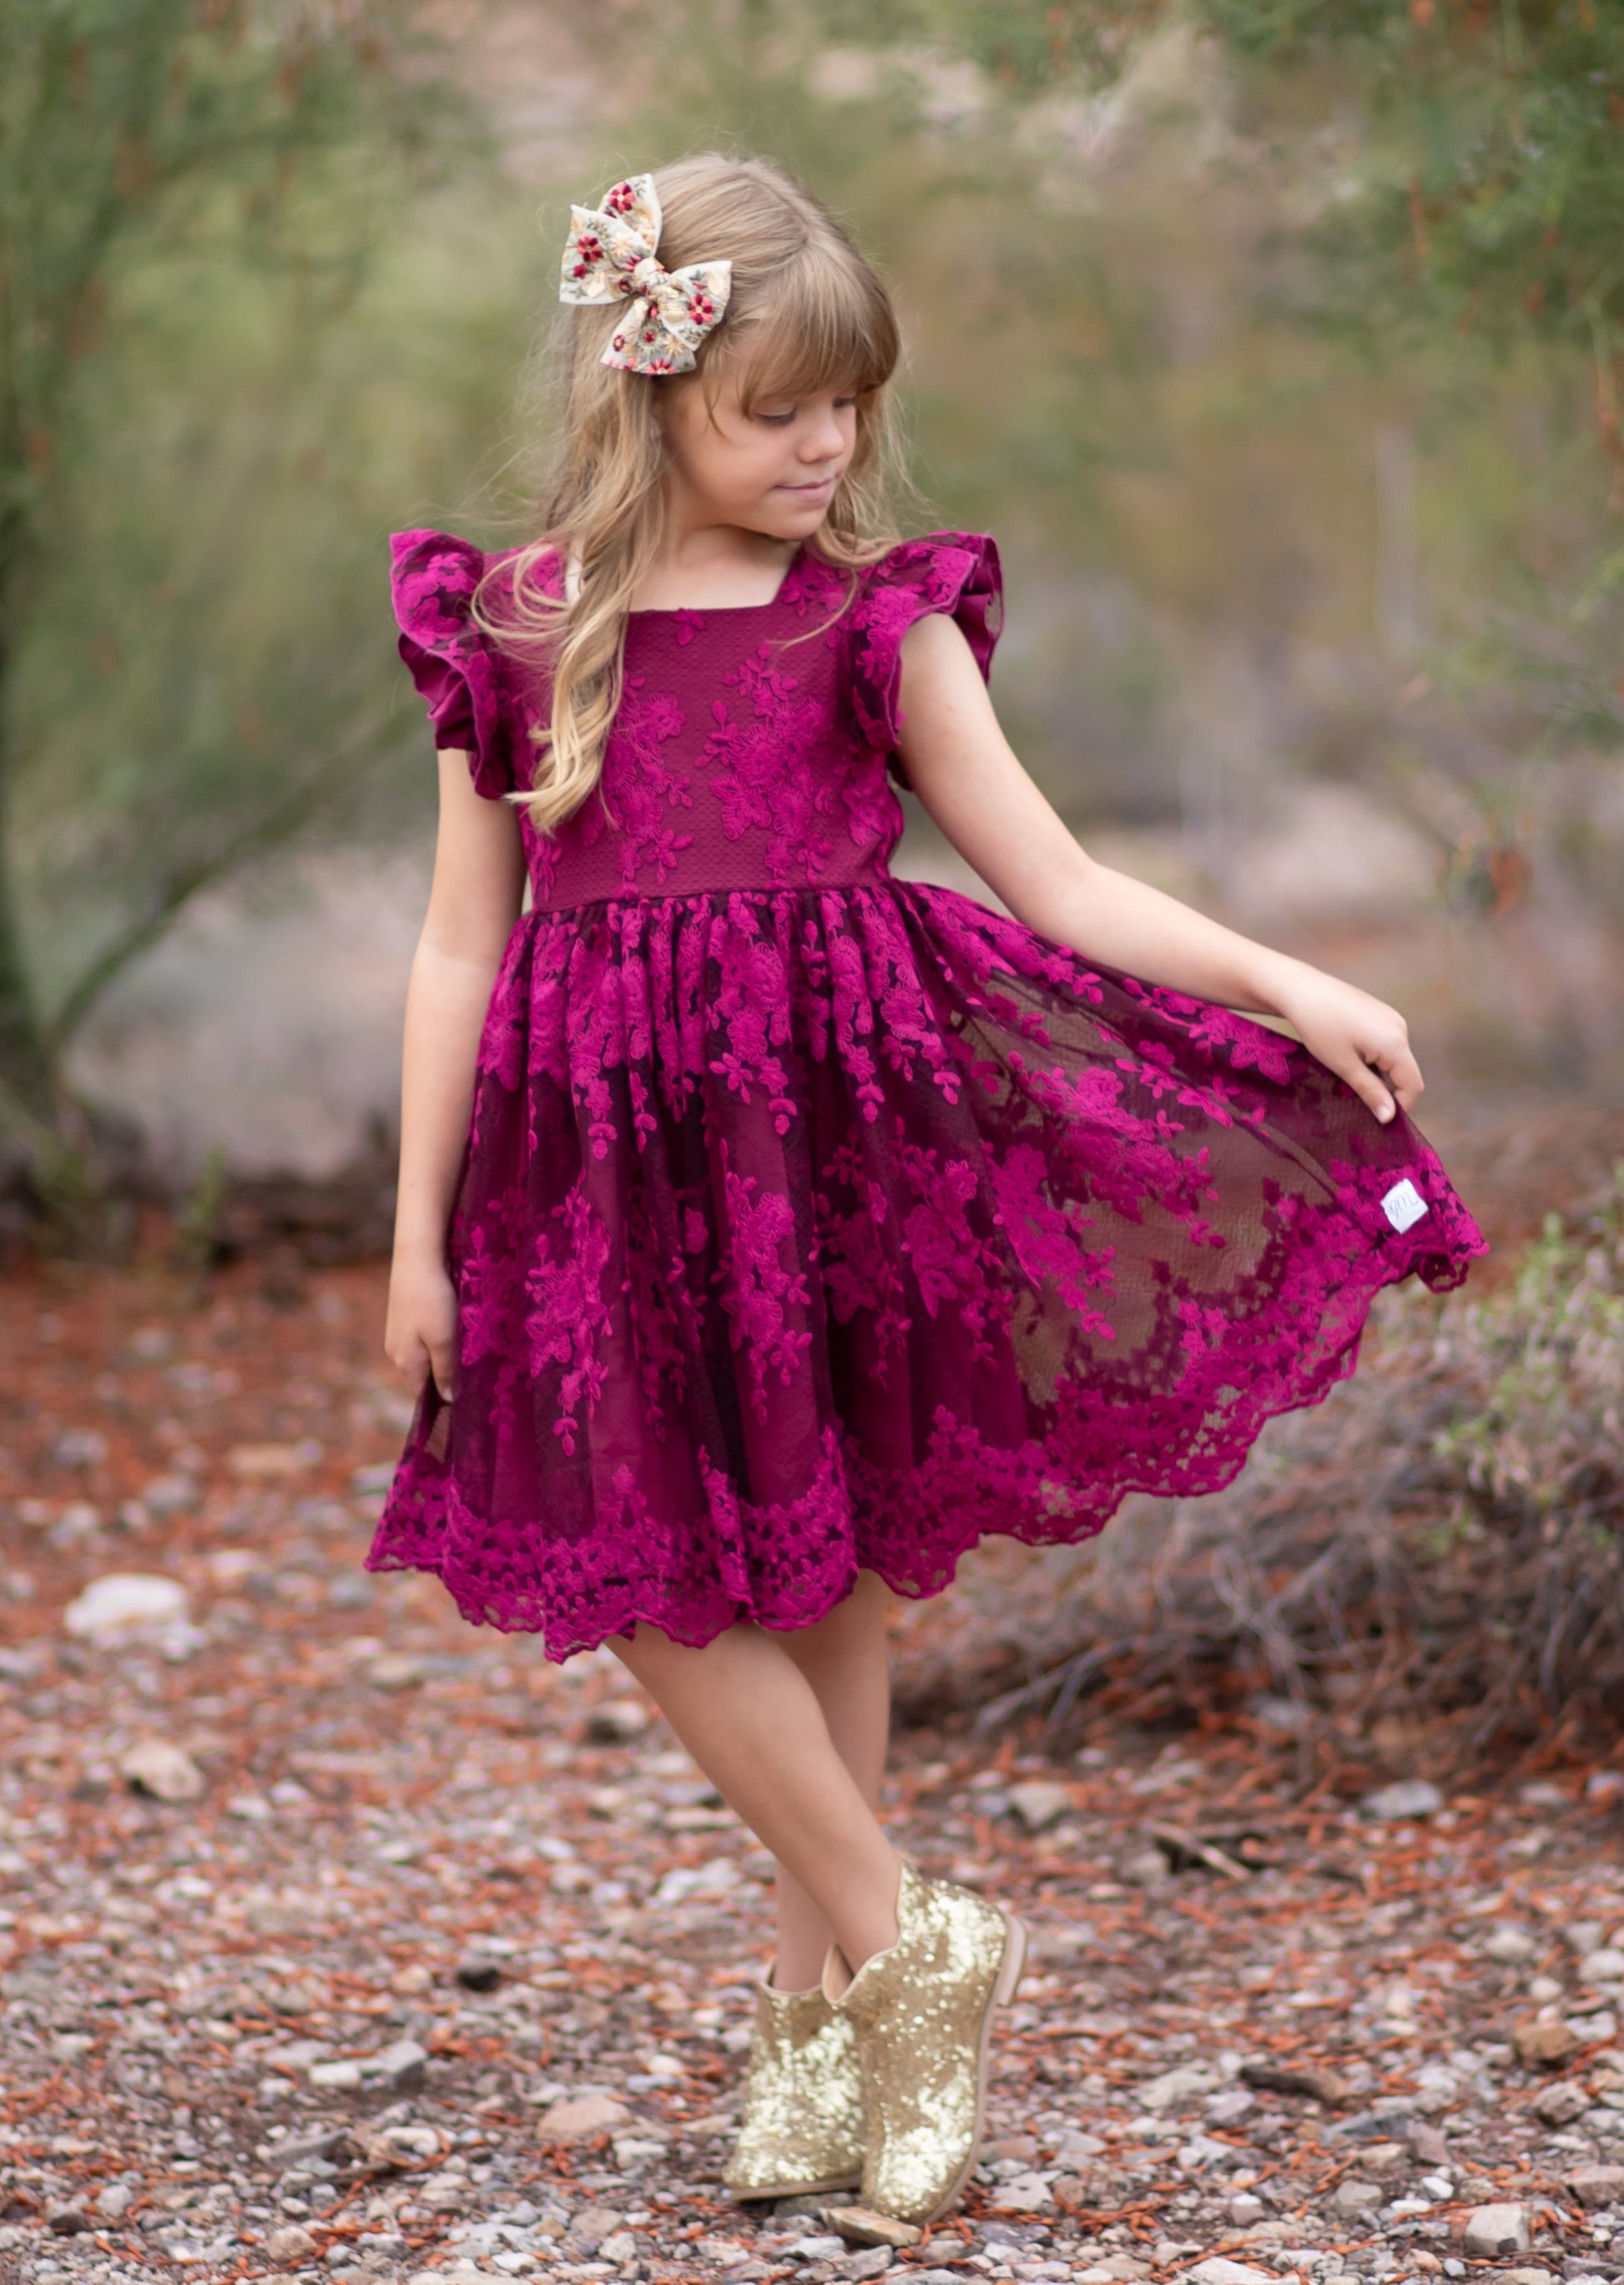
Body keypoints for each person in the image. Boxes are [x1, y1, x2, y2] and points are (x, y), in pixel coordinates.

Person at [370, 153, 1485, 2226]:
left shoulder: (875, 622)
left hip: (840, 1129)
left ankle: (837, 2058)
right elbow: (458, 939)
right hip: (596, 1151)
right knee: (627, 1545)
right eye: (775, 409)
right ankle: (911, 1931)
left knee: (826, 1579)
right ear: (650, 387)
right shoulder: (519, 622)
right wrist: (415, 1230)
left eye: (850, 404)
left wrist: (1277, 970)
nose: (826, 446)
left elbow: (1055, 880)